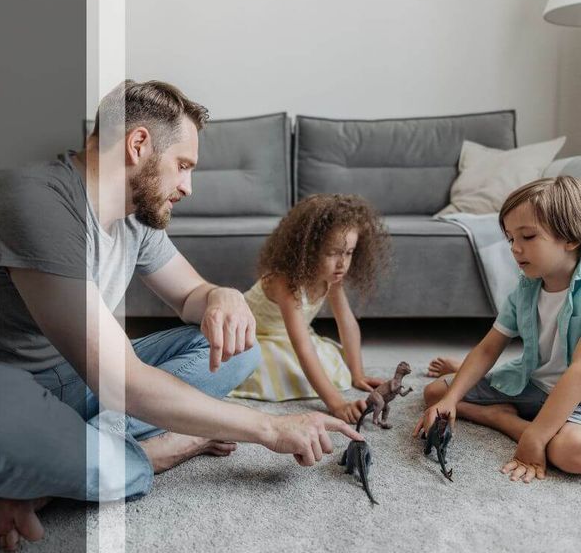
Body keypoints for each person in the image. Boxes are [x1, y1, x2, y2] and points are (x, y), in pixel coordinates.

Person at [0, 80, 362, 550]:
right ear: (138, 144)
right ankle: (157, 451)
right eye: (183, 166)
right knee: (17, 428)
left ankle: (51, 468)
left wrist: (221, 295)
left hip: (74, 381)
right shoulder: (36, 202)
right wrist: (268, 427)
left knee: (240, 351)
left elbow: (190, 297)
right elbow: (121, 382)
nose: (188, 186)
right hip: (4, 388)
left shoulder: (136, 216)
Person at [413, 176, 581, 484]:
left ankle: (505, 420)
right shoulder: (526, 289)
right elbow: (490, 347)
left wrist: (533, 439)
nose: (515, 249)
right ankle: (507, 416)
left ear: (571, 238)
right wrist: (451, 400)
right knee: (437, 393)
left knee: (570, 452)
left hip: (575, 397)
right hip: (533, 384)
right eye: (510, 239)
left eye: (528, 236)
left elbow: (578, 372)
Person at [231, 194, 391, 424]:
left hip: (287, 336)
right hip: (252, 336)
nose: (342, 263)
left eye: (349, 253)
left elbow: (346, 322)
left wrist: (357, 373)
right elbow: (303, 347)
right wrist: (336, 403)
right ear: (307, 249)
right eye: (333, 253)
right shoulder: (284, 281)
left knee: (334, 362)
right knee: (282, 368)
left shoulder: (332, 277)